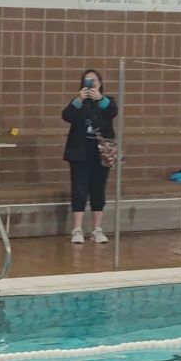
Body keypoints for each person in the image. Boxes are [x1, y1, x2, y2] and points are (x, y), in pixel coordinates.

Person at [62, 69, 118, 244]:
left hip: (101, 152)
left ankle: (97, 229)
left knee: (98, 189)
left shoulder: (107, 102)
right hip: (80, 152)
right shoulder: (78, 102)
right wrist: (80, 99)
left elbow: (112, 112)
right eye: (88, 81)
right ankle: (77, 229)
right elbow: (67, 116)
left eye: (94, 81)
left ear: (100, 84)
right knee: (79, 189)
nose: (91, 84)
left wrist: (100, 98)